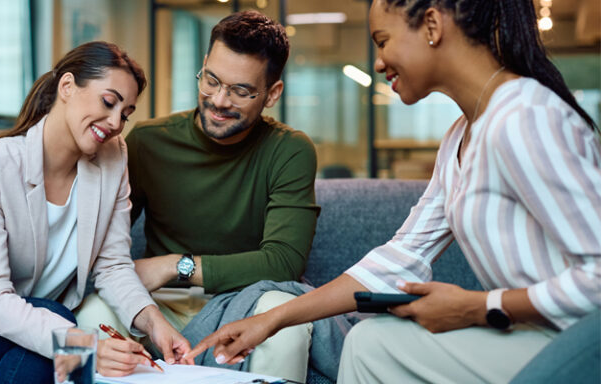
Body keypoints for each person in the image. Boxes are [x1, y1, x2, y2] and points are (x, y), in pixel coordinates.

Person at [186, 1, 601, 383]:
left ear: (433, 26)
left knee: (375, 347)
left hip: (583, 343)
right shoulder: (462, 135)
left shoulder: (524, 116)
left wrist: (477, 306)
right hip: (539, 333)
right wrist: (273, 319)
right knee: (373, 340)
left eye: (382, 41)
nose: (379, 61)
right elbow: (400, 258)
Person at [0, 41, 191, 383]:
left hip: (28, 329)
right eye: (109, 102)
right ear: (68, 87)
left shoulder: (113, 158)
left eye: (126, 114)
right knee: (64, 330)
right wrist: (85, 346)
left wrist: (154, 322)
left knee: (48, 354)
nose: (117, 122)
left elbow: (113, 265)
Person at [74, 10, 336, 383]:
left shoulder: (289, 150)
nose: (219, 100)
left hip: (246, 300)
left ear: (272, 93)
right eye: (211, 80)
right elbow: (96, 239)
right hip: (160, 303)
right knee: (92, 314)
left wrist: (173, 265)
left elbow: (283, 263)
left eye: (241, 91)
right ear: (203, 66)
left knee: (286, 321)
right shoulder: (148, 142)